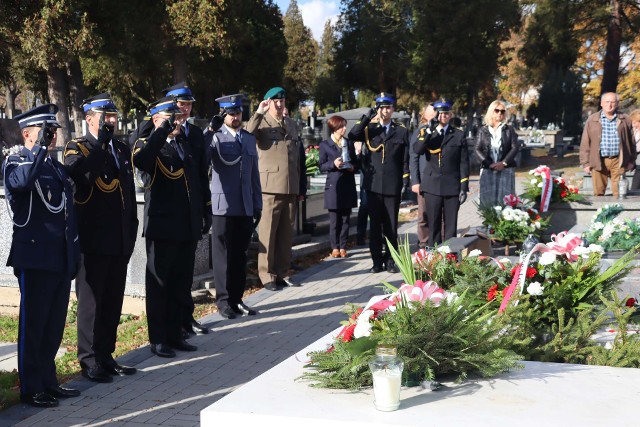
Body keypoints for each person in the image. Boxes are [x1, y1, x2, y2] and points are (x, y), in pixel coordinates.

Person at [4, 104, 81, 407]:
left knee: (53, 324)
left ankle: (49, 380)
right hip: (34, 256)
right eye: (45, 132)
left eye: (53, 131)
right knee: (33, 325)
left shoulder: (53, 166)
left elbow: (68, 213)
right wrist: (37, 152)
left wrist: (74, 253)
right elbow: (21, 184)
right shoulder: (16, 161)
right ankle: (31, 387)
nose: (51, 137)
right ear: (27, 134)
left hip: (59, 256)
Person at [63, 94, 139, 383]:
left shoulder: (119, 148)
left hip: (119, 237)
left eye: (113, 116)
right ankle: (89, 358)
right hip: (93, 240)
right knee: (91, 302)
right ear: (90, 119)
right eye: (105, 116)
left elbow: (128, 193)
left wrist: (130, 228)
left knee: (112, 300)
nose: (111, 121)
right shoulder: (78, 148)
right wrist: (100, 146)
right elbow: (78, 179)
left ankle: (106, 355)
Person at [132, 96, 210, 358]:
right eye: (170, 118)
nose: (177, 121)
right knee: (160, 285)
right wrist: (161, 131)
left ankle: (176, 334)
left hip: (185, 227)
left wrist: (202, 214)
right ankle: (159, 339)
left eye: (176, 118)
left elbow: (195, 182)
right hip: (162, 227)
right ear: (156, 120)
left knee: (181, 283)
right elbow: (142, 162)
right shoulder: (149, 145)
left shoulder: (182, 144)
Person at [204, 94, 262, 318]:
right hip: (223, 206)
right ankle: (223, 300)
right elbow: (202, 155)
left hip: (245, 205)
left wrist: (257, 203)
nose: (235, 117)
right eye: (230, 113)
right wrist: (210, 130)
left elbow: (254, 174)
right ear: (223, 115)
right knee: (222, 256)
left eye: (238, 113)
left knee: (240, 255)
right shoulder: (215, 137)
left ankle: (237, 299)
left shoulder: (247, 139)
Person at [161, 82, 211, 336]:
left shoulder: (195, 133)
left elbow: (202, 173)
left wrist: (207, 207)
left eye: (189, 104)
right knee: (173, 273)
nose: (186, 109)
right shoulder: (157, 129)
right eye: (181, 104)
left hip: (192, 210)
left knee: (187, 271)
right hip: (171, 215)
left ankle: (186, 318)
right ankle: (173, 323)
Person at [245, 87, 306, 291]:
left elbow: (296, 157)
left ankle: (282, 271)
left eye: (282, 100)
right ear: (268, 102)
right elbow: (247, 135)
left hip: (290, 185)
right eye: (275, 101)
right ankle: (266, 274)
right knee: (268, 233)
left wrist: (299, 186)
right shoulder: (261, 122)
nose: (280, 104)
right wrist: (259, 112)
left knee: (286, 233)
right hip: (270, 186)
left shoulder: (290, 123)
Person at [348, 93, 409, 273]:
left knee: (390, 226)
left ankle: (391, 260)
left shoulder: (401, 131)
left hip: (392, 185)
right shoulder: (370, 129)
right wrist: (368, 116)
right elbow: (353, 134)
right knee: (375, 226)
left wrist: (405, 180)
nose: (385, 111)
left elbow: (405, 159)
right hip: (373, 186)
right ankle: (376, 261)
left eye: (388, 107)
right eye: (381, 108)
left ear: (393, 109)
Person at [413, 100, 469, 247]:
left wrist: (464, 187)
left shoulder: (458, 135)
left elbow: (463, 162)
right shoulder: (426, 132)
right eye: (440, 113)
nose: (443, 116)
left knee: (450, 226)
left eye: (446, 113)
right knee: (434, 225)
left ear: (450, 115)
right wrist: (430, 131)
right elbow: (417, 150)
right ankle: (434, 257)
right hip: (432, 186)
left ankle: (450, 257)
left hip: (451, 185)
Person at [579, 92, 636, 197]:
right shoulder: (592, 119)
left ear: (617, 104)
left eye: (613, 102)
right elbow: (585, 142)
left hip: (619, 160)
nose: (610, 105)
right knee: (598, 193)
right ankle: (600, 212)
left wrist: (632, 161)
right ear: (601, 103)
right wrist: (585, 163)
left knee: (619, 193)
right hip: (598, 160)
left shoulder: (625, 119)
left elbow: (632, 142)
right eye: (607, 102)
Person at [318, 115, 358, 258]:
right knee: (335, 219)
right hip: (333, 186)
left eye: (345, 126)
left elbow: (356, 163)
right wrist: (332, 164)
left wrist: (352, 167)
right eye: (341, 126)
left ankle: (343, 246)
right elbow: (321, 166)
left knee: (346, 219)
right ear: (334, 128)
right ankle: (334, 247)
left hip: (347, 184)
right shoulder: (325, 145)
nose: (344, 129)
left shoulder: (349, 143)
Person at [474, 100, 521, 206]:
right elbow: (477, 149)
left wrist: (503, 163)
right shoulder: (483, 130)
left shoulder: (509, 129)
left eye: (502, 111)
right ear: (491, 111)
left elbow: (515, 147)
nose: (500, 113)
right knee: (487, 204)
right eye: (497, 110)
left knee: (505, 203)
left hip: (506, 169)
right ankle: (489, 222)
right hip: (487, 170)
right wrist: (489, 164)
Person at [410, 103, 436, 249]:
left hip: (439, 179)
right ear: (424, 115)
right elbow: (413, 157)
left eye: (436, 112)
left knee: (441, 215)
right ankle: (424, 243)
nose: (434, 115)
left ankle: (441, 241)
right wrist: (415, 181)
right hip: (424, 179)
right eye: (431, 112)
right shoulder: (420, 131)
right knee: (424, 214)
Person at [628, 109, 640, 191]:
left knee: (635, 188)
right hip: (637, 163)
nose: (633, 125)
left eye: (635, 122)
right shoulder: (635, 132)